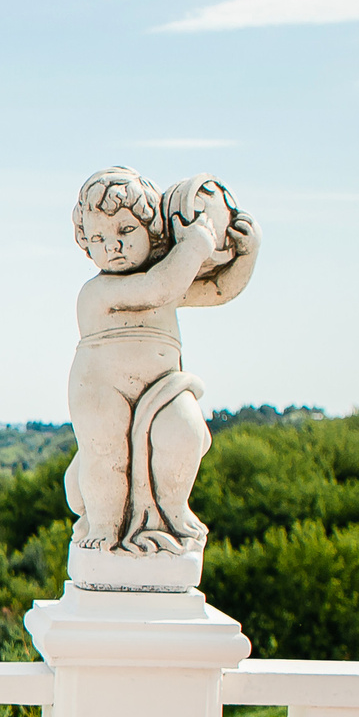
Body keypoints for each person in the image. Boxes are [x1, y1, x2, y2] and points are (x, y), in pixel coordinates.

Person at [64, 167, 257, 555]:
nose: (112, 246)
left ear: (152, 231)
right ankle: (104, 523)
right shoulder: (98, 291)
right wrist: (197, 244)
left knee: (184, 429)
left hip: (162, 384)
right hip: (103, 387)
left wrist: (247, 253)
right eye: (99, 238)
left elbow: (219, 288)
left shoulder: (168, 277)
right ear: (85, 242)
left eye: (125, 231)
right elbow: (157, 288)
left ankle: (172, 511)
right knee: (106, 450)